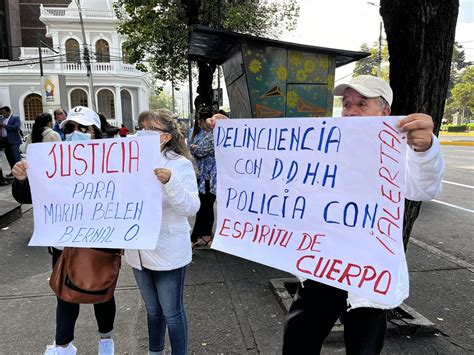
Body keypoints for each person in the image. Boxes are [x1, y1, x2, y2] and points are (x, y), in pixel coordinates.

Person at [282, 75, 445, 355]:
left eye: (361, 103)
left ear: (384, 111)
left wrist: (425, 150)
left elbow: (423, 188)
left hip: (368, 275)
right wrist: (227, 133)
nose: (351, 111)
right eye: (346, 104)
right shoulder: (324, 143)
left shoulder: (399, 150)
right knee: (298, 343)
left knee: (363, 348)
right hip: (323, 265)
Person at [11, 106, 117, 355]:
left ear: (96, 133)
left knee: (102, 291)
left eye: (83, 129)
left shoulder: (113, 162)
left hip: (100, 242)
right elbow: (26, 196)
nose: (75, 133)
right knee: (65, 293)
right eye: (70, 128)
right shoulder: (52, 162)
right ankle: (63, 345)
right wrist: (21, 179)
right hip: (64, 243)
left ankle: (106, 341)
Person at [124, 109, 200, 355]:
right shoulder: (127, 160)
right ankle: (154, 351)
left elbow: (191, 207)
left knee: (171, 311)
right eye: (141, 128)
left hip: (167, 250)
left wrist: (171, 183)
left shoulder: (179, 165)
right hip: (138, 249)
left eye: (150, 129)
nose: (142, 133)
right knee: (152, 309)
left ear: (166, 137)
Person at [189, 106, 216, 248]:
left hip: (211, 178)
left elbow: (199, 151)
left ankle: (196, 238)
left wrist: (193, 147)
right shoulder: (205, 134)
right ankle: (204, 236)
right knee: (205, 207)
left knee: (205, 207)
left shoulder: (213, 134)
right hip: (204, 176)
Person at [0, 106, 22, 176]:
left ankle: (20, 172)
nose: (3, 114)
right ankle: (13, 172)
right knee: (10, 158)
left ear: (9, 112)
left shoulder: (15, 118)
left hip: (14, 141)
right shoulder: (2, 119)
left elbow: (16, 127)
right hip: (4, 141)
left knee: (16, 158)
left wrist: (5, 126)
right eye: (2, 113)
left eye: (4, 113)